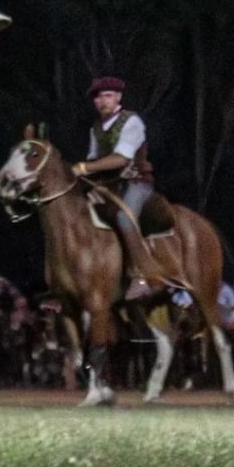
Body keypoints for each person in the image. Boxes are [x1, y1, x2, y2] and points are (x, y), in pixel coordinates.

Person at [71, 76, 167, 300]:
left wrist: (84, 167)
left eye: (108, 96)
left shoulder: (131, 122)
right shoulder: (96, 128)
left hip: (136, 182)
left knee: (125, 218)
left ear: (118, 97)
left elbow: (121, 158)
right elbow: (94, 158)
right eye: (98, 97)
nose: (102, 101)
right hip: (108, 185)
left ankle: (143, 276)